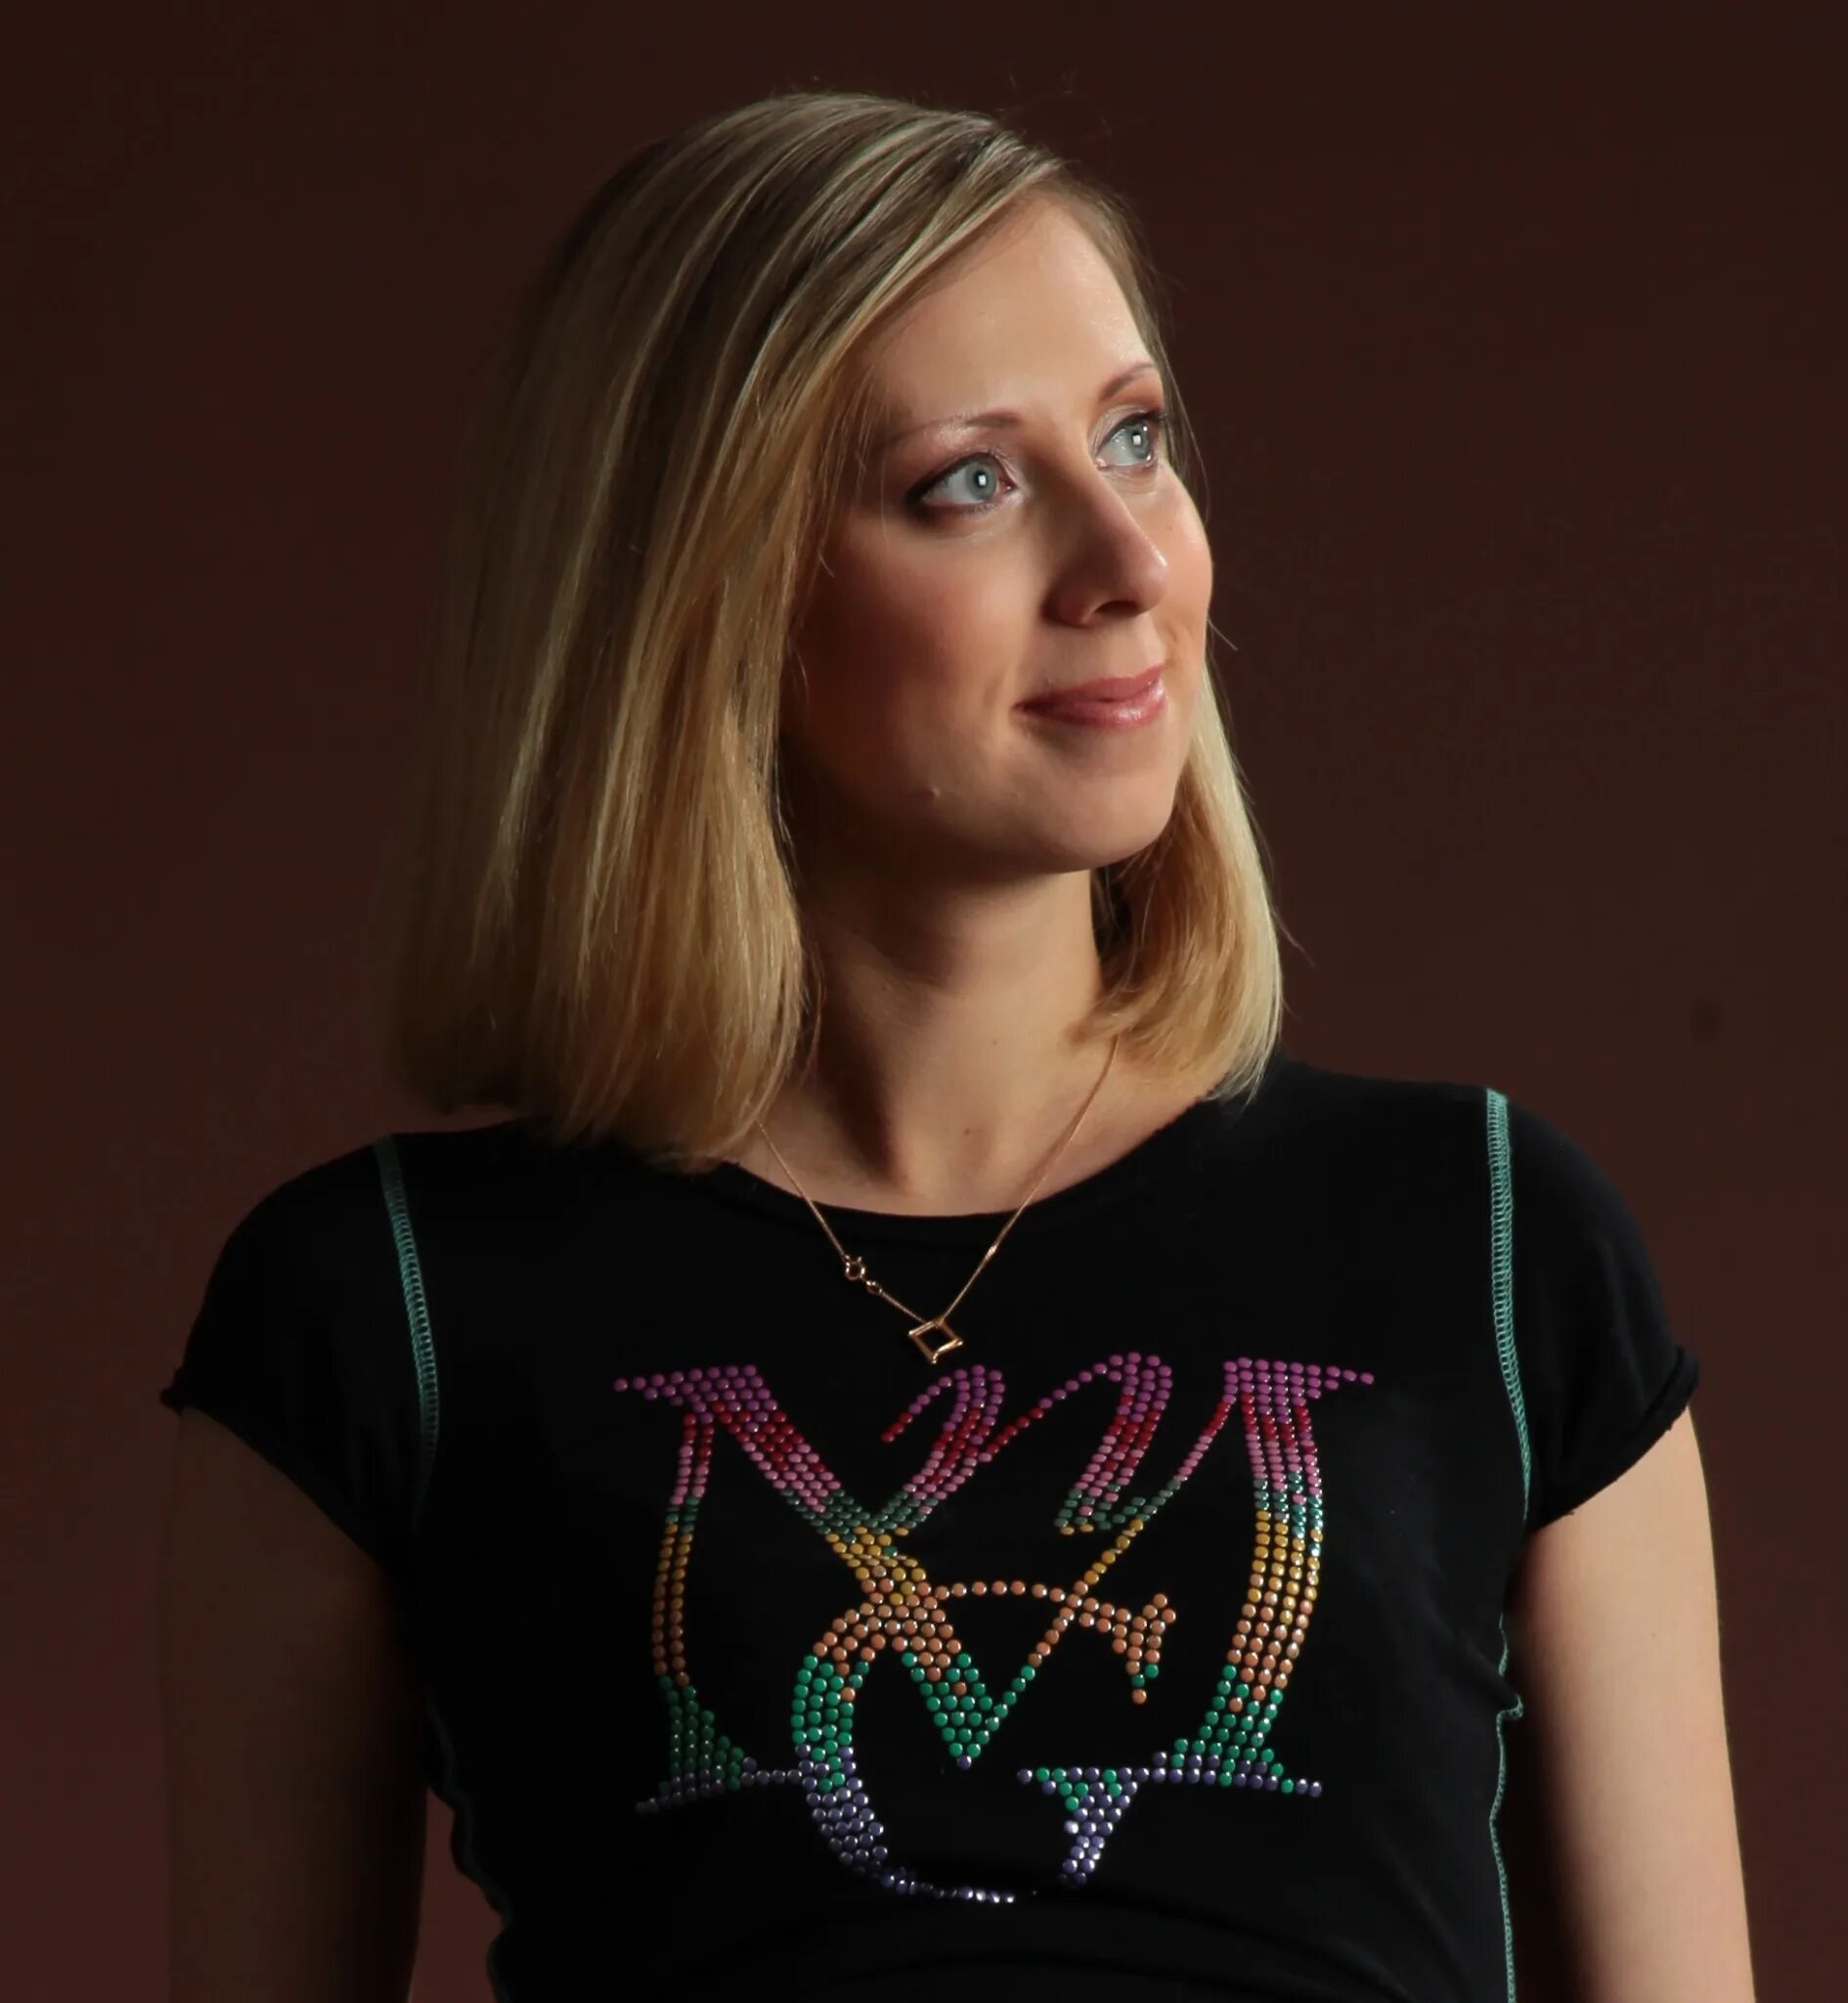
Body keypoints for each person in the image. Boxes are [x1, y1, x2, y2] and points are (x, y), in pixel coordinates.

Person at [157, 89, 1755, 2003]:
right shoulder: (383, 1311)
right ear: (705, 595)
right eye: (968, 483)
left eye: (1135, 436)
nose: (1128, 559)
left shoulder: (1490, 1239)